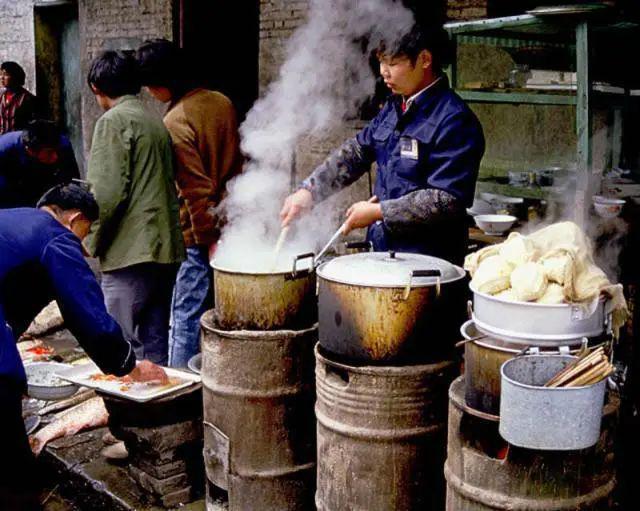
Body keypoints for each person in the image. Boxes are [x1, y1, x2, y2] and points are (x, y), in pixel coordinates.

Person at [0, 183, 166, 509]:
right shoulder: (56, 237)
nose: (84, 246)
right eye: (85, 234)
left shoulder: (13, 220)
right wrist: (129, 365)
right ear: (75, 219)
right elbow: (85, 312)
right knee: (11, 465)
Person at [280, 25, 485, 265]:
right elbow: (356, 153)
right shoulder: (394, 107)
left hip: (428, 265)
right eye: (381, 62)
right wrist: (310, 191)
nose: (383, 73)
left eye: (393, 63)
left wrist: (380, 212)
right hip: (382, 253)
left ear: (425, 59)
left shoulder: (455, 120)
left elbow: (446, 200)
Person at [136, 39, 243, 367]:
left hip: (197, 232)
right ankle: (216, 374)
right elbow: (238, 166)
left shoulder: (175, 122)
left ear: (162, 83)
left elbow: (195, 191)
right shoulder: (221, 102)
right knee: (225, 312)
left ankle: (182, 383)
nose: (151, 94)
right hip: (231, 221)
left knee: (185, 313)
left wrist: (206, 238)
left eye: (151, 87)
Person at [85, 50, 185, 366]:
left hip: (130, 252)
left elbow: (106, 194)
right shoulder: (154, 120)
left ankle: (121, 409)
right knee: (155, 343)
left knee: (116, 342)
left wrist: (90, 240)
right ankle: (155, 411)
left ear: (96, 89)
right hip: (164, 247)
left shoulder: (112, 122)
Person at [0, 119, 79, 208]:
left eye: (56, 150)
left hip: (45, 187)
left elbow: (72, 180)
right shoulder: (4, 151)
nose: (56, 156)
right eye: (49, 153)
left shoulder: (62, 143)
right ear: (30, 151)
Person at [0, 61, 38, 134]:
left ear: (15, 77)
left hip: (18, 140)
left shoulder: (27, 98)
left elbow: (33, 123)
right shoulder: (2, 96)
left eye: (5, 74)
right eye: (1, 74)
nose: (2, 77)